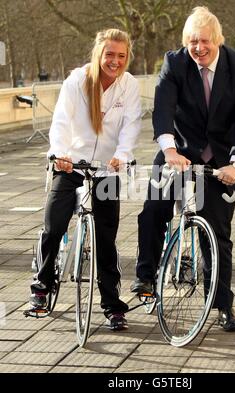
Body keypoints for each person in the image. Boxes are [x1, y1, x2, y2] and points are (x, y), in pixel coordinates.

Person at [131, 6, 235, 332]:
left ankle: (222, 306)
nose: (198, 49)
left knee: (216, 233)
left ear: (218, 40)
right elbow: (163, 110)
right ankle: (145, 277)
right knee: (154, 209)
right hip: (179, 152)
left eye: (204, 42)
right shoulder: (175, 62)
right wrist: (169, 150)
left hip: (221, 161)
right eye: (192, 43)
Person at [29, 29, 141, 330]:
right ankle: (41, 285)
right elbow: (61, 121)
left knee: (106, 239)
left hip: (107, 169)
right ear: (99, 54)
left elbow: (131, 124)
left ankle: (112, 305)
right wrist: (60, 153)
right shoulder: (77, 81)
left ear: (127, 56)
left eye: (121, 55)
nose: (115, 61)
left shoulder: (128, 85)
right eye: (109, 55)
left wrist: (123, 154)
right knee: (54, 225)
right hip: (71, 165)